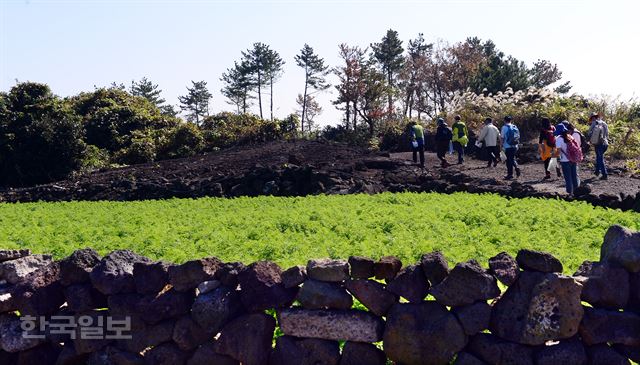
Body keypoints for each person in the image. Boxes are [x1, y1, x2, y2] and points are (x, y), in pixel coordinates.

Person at [555, 123, 581, 196]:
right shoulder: (570, 137)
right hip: (573, 159)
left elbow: (558, 152)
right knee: (574, 176)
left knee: (568, 177)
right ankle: (577, 192)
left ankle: (570, 193)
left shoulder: (559, 139)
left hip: (565, 160)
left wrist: (555, 159)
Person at [587, 112, 609, 180]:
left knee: (600, 159)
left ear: (592, 117)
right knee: (599, 158)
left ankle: (604, 174)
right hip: (605, 143)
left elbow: (589, 133)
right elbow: (607, 134)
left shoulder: (594, 123)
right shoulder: (604, 123)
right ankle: (597, 171)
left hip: (598, 144)